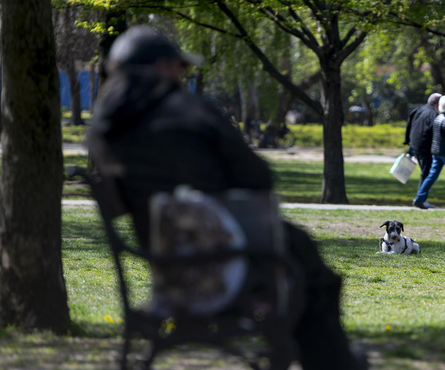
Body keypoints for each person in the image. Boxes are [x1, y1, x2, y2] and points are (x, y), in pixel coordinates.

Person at [88, 26, 365, 370]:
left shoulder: (104, 128)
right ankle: (335, 364)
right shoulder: (187, 110)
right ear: (161, 67)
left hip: (170, 263)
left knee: (301, 256)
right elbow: (259, 177)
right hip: (226, 257)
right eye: (179, 67)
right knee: (310, 270)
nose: (182, 75)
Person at [404, 93, 441, 209]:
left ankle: (421, 198)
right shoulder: (434, 114)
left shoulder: (418, 110)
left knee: (425, 172)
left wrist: (408, 142)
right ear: (437, 104)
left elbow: (409, 125)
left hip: (415, 145)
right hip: (425, 147)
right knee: (427, 173)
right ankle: (420, 199)